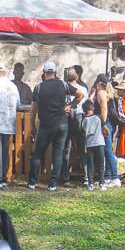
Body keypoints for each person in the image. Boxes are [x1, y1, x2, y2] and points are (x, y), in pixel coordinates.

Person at [26, 61, 72, 191]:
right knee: (58, 154)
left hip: (46, 125)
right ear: (55, 72)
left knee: (38, 154)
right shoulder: (64, 85)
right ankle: (52, 184)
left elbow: (33, 109)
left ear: (44, 73)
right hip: (62, 124)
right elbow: (79, 95)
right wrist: (70, 105)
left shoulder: (39, 87)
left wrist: (32, 126)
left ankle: (32, 182)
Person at [93, 74, 121, 189]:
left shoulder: (101, 93)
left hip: (106, 123)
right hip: (110, 123)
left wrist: (103, 124)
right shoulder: (108, 93)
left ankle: (115, 177)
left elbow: (104, 108)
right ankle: (108, 176)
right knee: (107, 150)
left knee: (108, 150)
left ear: (99, 84)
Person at [76, 98, 106, 190]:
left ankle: (90, 184)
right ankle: (102, 183)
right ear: (92, 108)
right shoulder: (98, 117)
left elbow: (83, 131)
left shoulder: (84, 120)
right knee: (101, 164)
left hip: (89, 144)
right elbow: (104, 128)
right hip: (100, 142)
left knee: (90, 164)